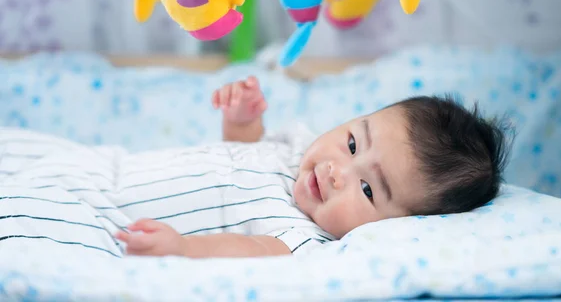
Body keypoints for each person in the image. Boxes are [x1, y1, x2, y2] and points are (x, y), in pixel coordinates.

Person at [115, 75, 512, 258]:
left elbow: (242, 248)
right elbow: (240, 155)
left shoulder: (300, 237)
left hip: (119, 214)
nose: (338, 171)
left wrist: (183, 248)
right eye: (353, 143)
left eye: (369, 190)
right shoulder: (298, 145)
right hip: (114, 166)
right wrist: (240, 121)